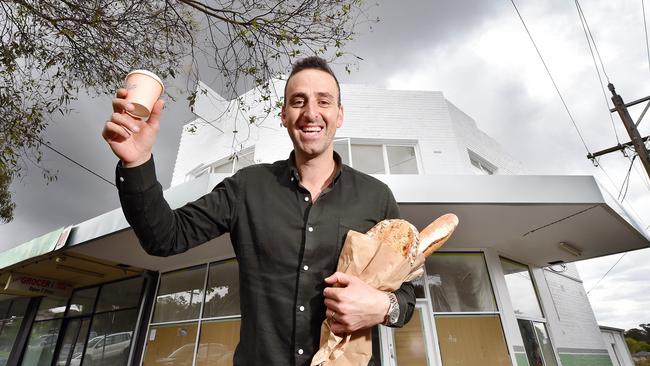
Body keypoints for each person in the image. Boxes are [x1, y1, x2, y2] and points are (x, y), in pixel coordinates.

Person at [102, 56, 415, 365]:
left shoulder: (377, 198)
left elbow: (406, 296)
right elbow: (165, 237)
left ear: (339, 114)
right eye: (298, 101)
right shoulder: (247, 186)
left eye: (324, 101)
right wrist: (136, 161)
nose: (311, 113)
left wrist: (381, 306)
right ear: (283, 115)